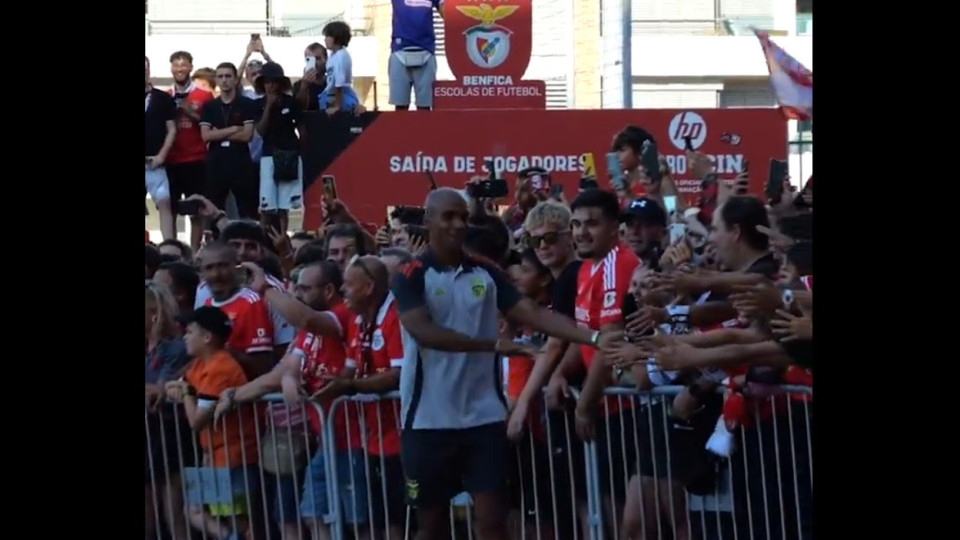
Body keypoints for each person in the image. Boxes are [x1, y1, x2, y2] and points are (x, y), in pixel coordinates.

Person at [390, 187, 619, 540]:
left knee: (492, 521)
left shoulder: (487, 271)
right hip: (427, 421)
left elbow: (531, 312)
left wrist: (593, 337)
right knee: (431, 526)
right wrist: (493, 345)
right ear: (428, 220)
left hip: (484, 418)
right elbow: (424, 332)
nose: (457, 224)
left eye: (463, 217)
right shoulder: (411, 274)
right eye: (448, 216)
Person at [166, 306, 261, 540]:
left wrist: (187, 392)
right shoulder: (200, 363)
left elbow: (197, 420)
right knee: (194, 509)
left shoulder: (221, 367)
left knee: (238, 518)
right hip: (213, 456)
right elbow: (173, 384)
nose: (184, 336)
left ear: (207, 337)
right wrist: (180, 387)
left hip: (233, 456)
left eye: (189, 332)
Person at [145, 281, 193, 540]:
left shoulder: (176, 347)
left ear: (154, 313)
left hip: (169, 435)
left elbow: (161, 391)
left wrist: (155, 390)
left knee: (173, 514)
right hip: (149, 435)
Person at [198, 62, 259, 221]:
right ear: (216, 80)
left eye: (228, 76)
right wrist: (233, 129)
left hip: (240, 160)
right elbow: (205, 136)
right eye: (220, 76)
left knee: (247, 209)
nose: (224, 80)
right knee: (214, 208)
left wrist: (217, 133)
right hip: (216, 161)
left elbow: (247, 136)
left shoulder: (247, 104)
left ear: (234, 79)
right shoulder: (209, 106)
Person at [167, 50, 215, 251]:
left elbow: (210, 124)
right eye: (176, 65)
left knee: (196, 209)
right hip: (171, 160)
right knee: (170, 210)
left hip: (195, 158)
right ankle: (172, 250)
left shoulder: (204, 95)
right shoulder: (165, 96)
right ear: (171, 68)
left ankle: (194, 253)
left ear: (190, 67)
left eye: (184, 65)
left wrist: (188, 110)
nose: (180, 69)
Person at [255, 62, 303, 234]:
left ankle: (284, 236)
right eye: (267, 82)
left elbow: (302, 128)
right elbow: (260, 130)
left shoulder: (292, 103)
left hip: (289, 154)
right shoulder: (258, 104)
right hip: (268, 155)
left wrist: (301, 151)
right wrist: (268, 106)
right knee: (266, 203)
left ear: (281, 83)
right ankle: (262, 238)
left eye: (274, 82)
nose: (271, 86)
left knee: (285, 204)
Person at [389, 0, 444, 111]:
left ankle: (425, 129)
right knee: (400, 109)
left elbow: (448, 14)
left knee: (425, 108)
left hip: (426, 51)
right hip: (400, 51)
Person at [145, 56, 177, 241]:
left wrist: (161, 156)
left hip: (155, 163)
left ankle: (169, 249)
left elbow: (172, 130)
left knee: (165, 203)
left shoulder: (163, 98)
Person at [320, 21, 360, 115]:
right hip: (331, 94)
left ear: (336, 37)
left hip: (342, 96)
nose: (325, 40)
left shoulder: (341, 56)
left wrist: (337, 106)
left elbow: (339, 83)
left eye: (327, 37)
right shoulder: (333, 55)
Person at [294, 43, 328, 111]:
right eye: (310, 59)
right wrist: (304, 86)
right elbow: (298, 109)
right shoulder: (299, 85)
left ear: (326, 59)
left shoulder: (332, 83)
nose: (315, 63)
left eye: (317, 58)